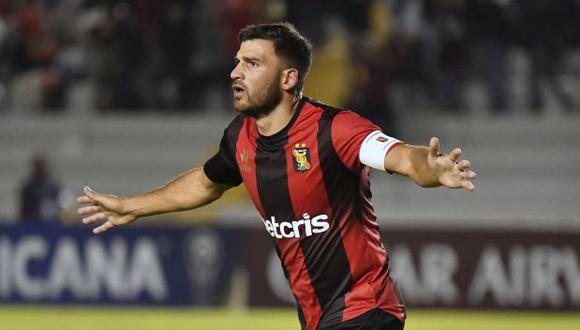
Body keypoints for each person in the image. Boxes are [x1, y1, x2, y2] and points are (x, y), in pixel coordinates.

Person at [77, 22, 476, 330]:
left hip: (367, 308)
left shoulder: (334, 129)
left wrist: (431, 167)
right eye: (237, 61)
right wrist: (132, 206)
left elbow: (401, 157)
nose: (236, 72)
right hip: (318, 317)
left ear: (288, 79)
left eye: (252, 64)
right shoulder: (240, 138)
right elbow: (205, 183)